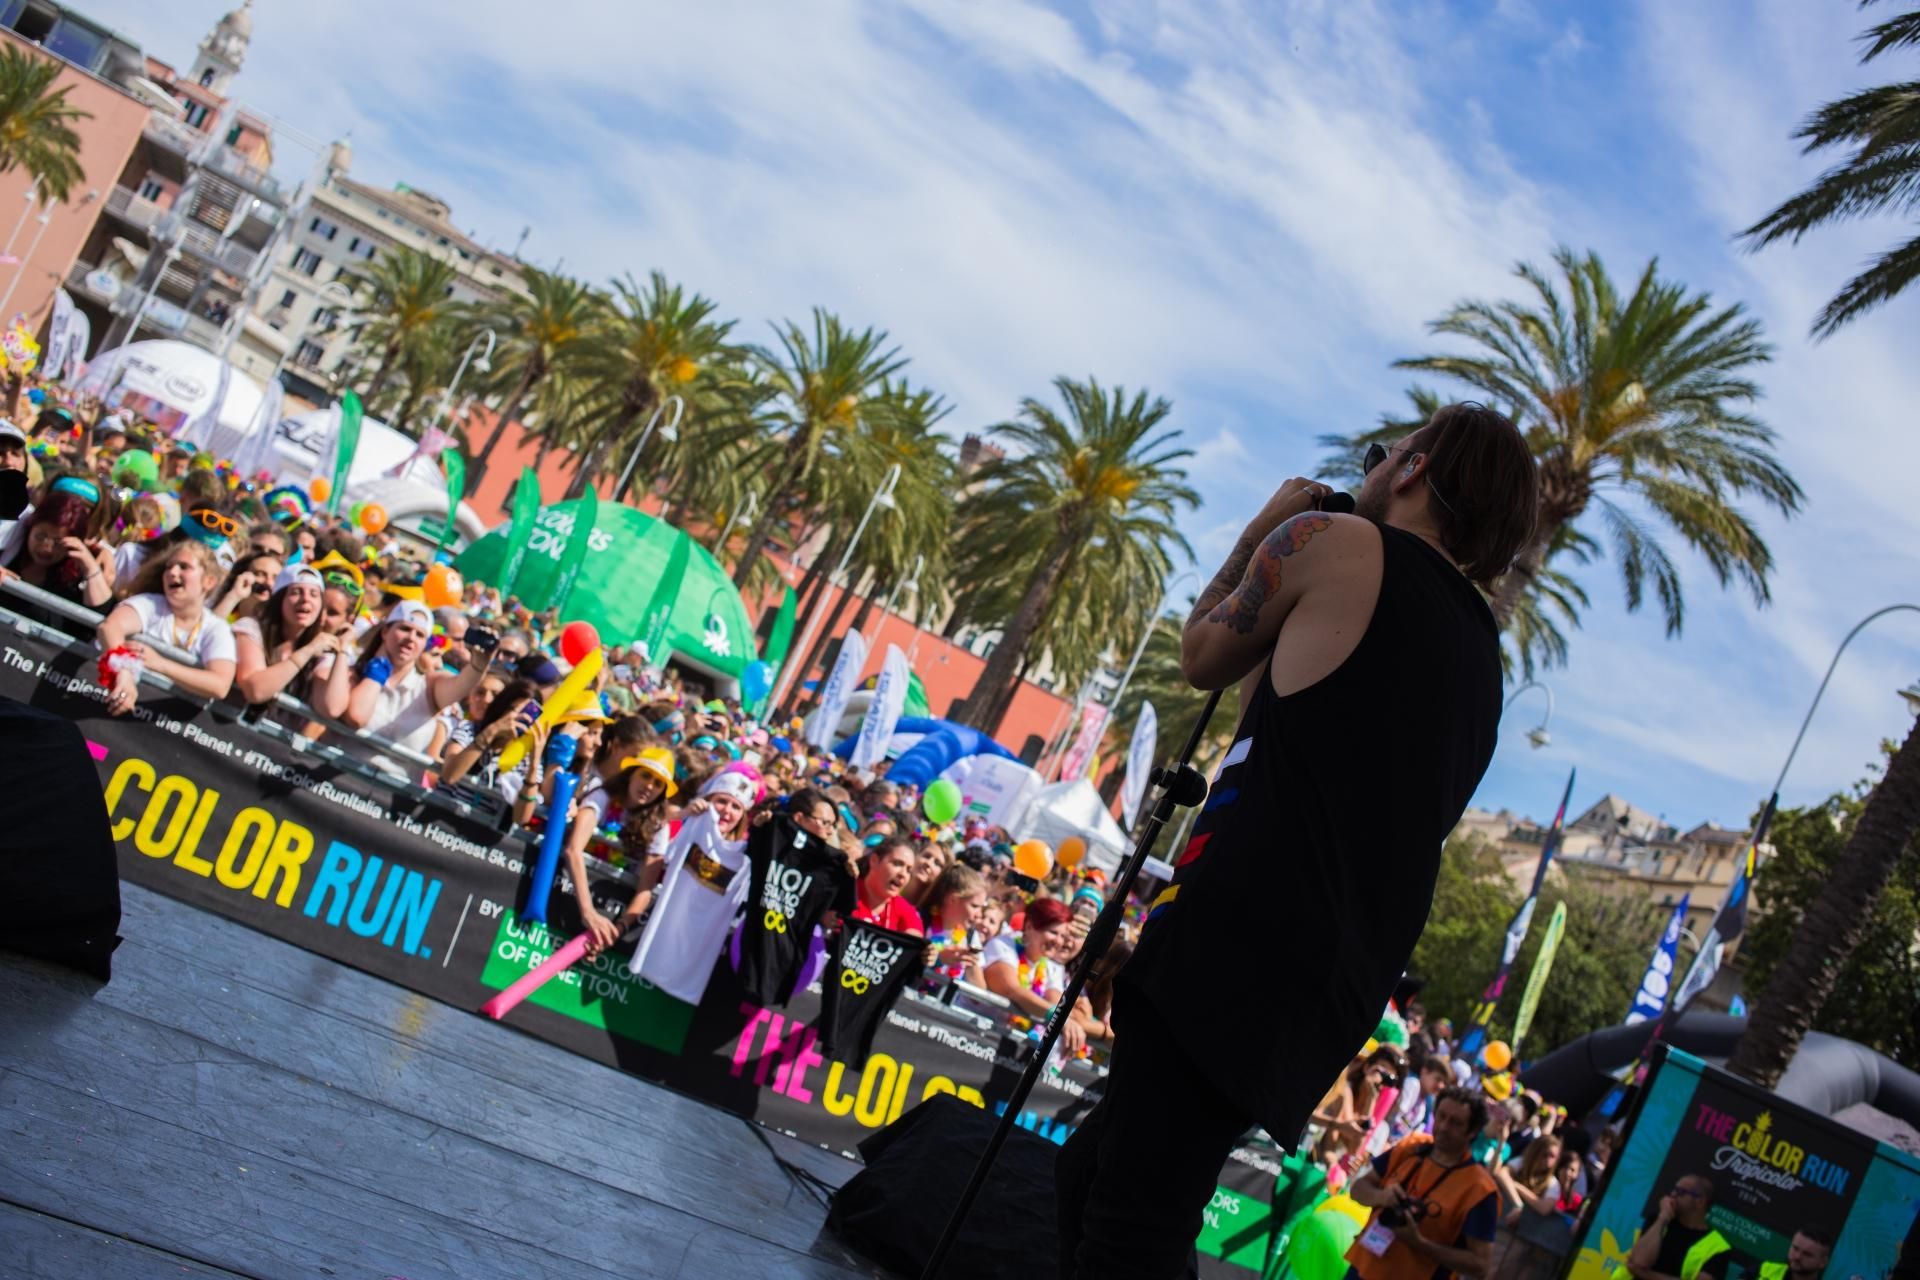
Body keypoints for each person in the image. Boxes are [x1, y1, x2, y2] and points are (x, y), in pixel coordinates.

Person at [1059, 404, 1538, 1277]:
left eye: (1384, 453)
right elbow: (1274, 713)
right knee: (1095, 1178)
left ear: (1413, 469)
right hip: (1332, 974)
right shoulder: (1483, 660)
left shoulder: (1336, 542)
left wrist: (1264, 529)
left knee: (1133, 1222)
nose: (1374, 466)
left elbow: (1203, 655)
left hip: (1236, 931)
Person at [1344, 1086, 1500, 1280]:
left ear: (1472, 1131)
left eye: (1456, 1123)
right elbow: (1357, 1189)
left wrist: (1419, 1243)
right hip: (1362, 1268)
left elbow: (1480, 1265)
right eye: (1441, 1116)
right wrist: (1381, 1197)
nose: (1444, 1126)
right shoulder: (1411, 1147)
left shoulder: (1480, 1188)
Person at [327, 600, 497, 755]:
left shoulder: (429, 686)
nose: (411, 638)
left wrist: (479, 665)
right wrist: (377, 670)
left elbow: (463, 683)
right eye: (405, 629)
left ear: (425, 644)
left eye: (420, 634)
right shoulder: (354, 673)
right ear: (385, 631)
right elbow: (356, 717)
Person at [96, 538, 237, 712]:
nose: (172, 572)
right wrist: (123, 672)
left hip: (163, 721)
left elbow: (220, 686)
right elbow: (109, 627)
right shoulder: (151, 604)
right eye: (169, 567)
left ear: (209, 581)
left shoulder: (216, 628)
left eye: (184, 567)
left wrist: (160, 663)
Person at [981, 896, 1092, 1055]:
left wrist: (1066, 1018)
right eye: (1053, 932)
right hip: (973, 1036)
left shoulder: (1052, 967)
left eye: (1063, 935)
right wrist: (1059, 1018)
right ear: (1029, 926)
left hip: (1006, 1049)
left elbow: (1055, 1002)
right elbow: (1012, 989)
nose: (1058, 941)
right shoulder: (1003, 944)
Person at [230, 564, 344, 707]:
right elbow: (255, 690)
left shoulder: (321, 646)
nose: (306, 599)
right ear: (279, 599)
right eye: (296, 592)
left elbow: (331, 708)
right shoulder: (251, 629)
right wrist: (307, 652)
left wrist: (343, 652)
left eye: (314, 594)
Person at [0, 473, 117, 608]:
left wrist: (92, 568)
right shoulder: (16, 523)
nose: (70, 508)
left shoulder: (92, 558)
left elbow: (101, 612)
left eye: (85, 507)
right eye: (41, 536)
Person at [1623, 1174, 1727, 1280]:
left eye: (1680, 1191)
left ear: (1699, 1201)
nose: (1673, 1195)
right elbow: (1639, 1262)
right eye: (1674, 1189)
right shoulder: (1658, 1220)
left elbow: (1637, 1268)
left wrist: (1645, 1274)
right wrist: (1663, 1218)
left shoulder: (1718, 1246)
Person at [851, 835, 927, 935]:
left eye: (909, 870)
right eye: (897, 863)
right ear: (874, 861)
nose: (903, 874)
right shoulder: (847, 890)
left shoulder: (903, 909)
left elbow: (915, 938)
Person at [1759, 1228, 1832, 1280]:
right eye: (1795, 1248)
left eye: (1807, 1254)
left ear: (1823, 1262)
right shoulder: (1765, 1270)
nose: (1797, 1256)